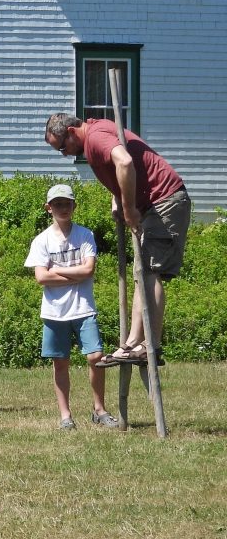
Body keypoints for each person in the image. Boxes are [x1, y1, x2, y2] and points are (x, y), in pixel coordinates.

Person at [45, 113, 190, 365]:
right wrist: (117, 196)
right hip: (156, 203)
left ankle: (148, 346)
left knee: (148, 272)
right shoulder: (98, 130)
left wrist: (128, 207)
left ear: (71, 131)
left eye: (62, 147)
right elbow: (121, 168)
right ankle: (134, 343)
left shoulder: (95, 138)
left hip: (162, 201)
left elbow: (124, 162)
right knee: (142, 272)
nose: (64, 154)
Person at [24, 185, 117, 430]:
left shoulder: (85, 235)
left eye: (67, 203)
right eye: (57, 204)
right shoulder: (41, 240)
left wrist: (57, 270)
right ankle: (65, 415)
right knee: (60, 362)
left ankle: (99, 409)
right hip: (54, 311)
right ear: (48, 208)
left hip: (84, 307)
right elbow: (41, 278)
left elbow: (89, 270)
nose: (62, 208)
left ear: (74, 206)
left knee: (96, 357)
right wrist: (74, 275)